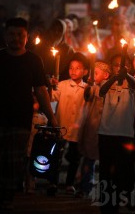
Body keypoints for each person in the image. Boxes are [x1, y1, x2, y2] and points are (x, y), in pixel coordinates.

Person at [0, 17, 58, 210]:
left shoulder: (34, 60)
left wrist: (51, 117)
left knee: (12, 163)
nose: (16, 38)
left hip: (20, 120)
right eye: (12, 34)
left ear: (26, 37)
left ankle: (5, 198)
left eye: (20, 35)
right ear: (5, 36)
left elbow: (40, 91)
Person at [97, 53, 135, 213]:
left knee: (121, 171)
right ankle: (106, 206)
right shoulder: (108, 82)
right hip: (106, 133)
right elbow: (102, 90)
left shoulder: (132, 83)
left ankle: (118, 200)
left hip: (125, 133)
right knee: (105, 171)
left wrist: (126, 75)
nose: (119, 68)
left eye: (123, 65)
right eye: (116, 65)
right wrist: (115, 78)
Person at [48, 53, 90, 196]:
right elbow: (51, 98)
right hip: (61, 126)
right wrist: (51, 87)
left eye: (78, 68)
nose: (73, 70)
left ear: (85, 71)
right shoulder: (62, 85)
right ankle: (53, 182)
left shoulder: (88, 88)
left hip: (77, 129)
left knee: (75, 158)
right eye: (71, 67)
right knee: (56, 156)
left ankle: (69, 183)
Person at [76, 61, 112, 198]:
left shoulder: (110, 88)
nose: (93, 75)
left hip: (105, 127)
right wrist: (89, 86)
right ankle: (85, 186)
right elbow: (87, 96)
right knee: (88, 158)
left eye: (96, 73)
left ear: (106, 75)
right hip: (92, 128)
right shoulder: (94, 87)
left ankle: (104, 190)